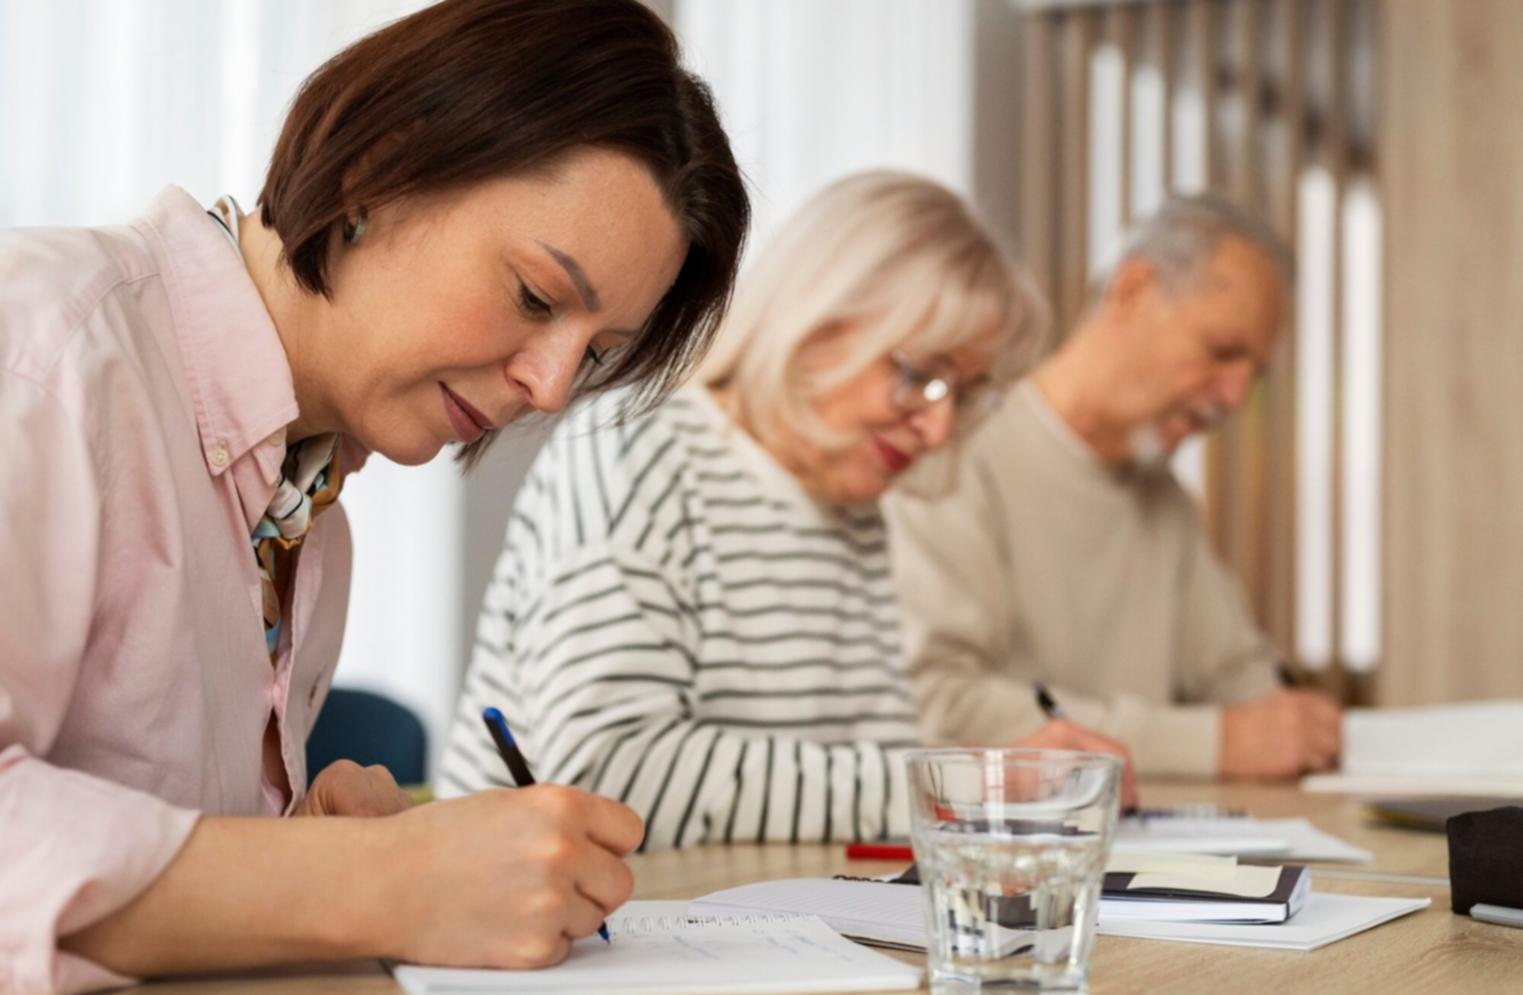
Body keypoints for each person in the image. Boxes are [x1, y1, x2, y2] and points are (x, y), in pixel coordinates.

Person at [0, 1, 749, 990]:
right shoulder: (47, 348)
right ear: (377, 172)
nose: (552, 387)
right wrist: (366, 881)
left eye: (596, 355)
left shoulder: (314, 521)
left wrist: (306, 852)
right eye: (534, 296)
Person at [439, 171, 1138, 851]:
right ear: (815, 323)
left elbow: (862, 777)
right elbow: (609, 776)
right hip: (532, 934)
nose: (937, 428)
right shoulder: (637, 448)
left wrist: (960, 785)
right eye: (923, 376)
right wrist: (956, 781)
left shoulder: (849, 503)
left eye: (965, 394)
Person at [887, 194, 1342, 781]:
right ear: (1132, 292)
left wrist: (1297, 724)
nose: (1234, 397)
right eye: (1222, 352)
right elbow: (939, 705)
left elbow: (1244, 686)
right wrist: (1211, 746)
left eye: (1252, 373)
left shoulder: (1166, 503)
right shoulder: (954, 453)